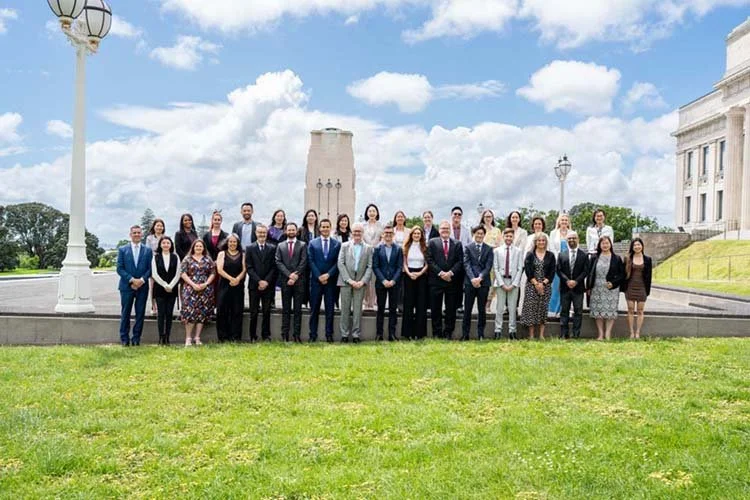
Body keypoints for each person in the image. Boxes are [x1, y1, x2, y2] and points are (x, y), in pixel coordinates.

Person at [426, 221, 464, 340]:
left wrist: (450, 273)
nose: (445, 230)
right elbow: (430, 260)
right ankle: (437, 332)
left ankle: (448, 332)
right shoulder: (432, 242)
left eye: (447, 228)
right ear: (439, 229)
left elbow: (460, 261)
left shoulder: (457, 244)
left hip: (451, 281)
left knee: (450, 309)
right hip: (436, 281)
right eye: (442, 228)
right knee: (435, 308)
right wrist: (441, 273)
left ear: (450, 230)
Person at [116, 225, 153, 346]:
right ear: (130, 234)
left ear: (141, 234)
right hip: (127, 287)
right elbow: (120, 268)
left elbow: (150, 269)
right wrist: (132, 280)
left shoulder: (148, 251)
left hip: (142, 287)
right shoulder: (122, 250)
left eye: (139, 233)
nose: (137, 235)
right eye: (134, 233)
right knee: (125, 313)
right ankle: (124, 339)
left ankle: (136, 338)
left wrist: (141, 280)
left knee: (140, 313)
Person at [337, 222, 373, 343]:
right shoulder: (344, 246)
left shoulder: (368, 248)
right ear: (352, 233)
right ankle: (344, 335)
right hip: (346, 282)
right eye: (355, 231)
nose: (357, 233)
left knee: (358, 310)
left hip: (360, 283)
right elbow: (340, 263)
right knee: (345, 309)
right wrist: (349, 280)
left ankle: (356, 335)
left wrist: (362, 281)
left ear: (363, 233)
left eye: (359, 231)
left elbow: (369, 266)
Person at [307, 219, 341, 343]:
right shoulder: (312, 243)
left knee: (329, 310)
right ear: (320, 228)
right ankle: (312, 335)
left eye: (327, 227)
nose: (325, 229)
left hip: (330, 282)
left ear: (330, 228)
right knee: (314, 309)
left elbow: (338, 262)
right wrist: (319, 276)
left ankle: (329, 335)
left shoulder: (337, 244)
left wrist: (328, 275)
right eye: (323, 227)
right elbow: (310, 261)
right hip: (316, 282)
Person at [587, 235, 625, 340]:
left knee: (610, 312)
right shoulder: (594, 257)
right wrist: (588, 287)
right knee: (598, 312)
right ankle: (600, 334)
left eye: (607, 243)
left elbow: (622, 274)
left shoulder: (616, 258)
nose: (605, 245)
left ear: (610, 244)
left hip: (611, 288)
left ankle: (608, 334)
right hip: (597, 287)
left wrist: (613, 283)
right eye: (603, 243)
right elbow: (589, 273)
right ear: (599, 245)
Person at [180, 239, 216, 346]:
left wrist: (206, 283)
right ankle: (188, 338)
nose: (199, 248)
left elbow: (213, 273)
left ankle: (197, 337)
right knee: (190, 313)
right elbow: (182, 273)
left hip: (205, 290)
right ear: (193, 247)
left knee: (201, 313)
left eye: (201, 246)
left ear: (204, 248)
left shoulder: (208, 259)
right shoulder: (187, 259)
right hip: (190, 289)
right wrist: (193, 284)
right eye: (197, 246)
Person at [275, 222, 307, 342]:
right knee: (286, 309)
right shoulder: (280, 246)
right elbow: (278, 261)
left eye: (293, 230)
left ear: (297, 231)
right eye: (289, 230)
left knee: (298, 310)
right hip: (285, 282)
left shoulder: (303, 245)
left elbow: (304, 261)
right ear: (285, 231)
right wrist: (289, 275)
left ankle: (296, 335)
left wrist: (295, 275)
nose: (291, 232)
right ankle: (285, 335)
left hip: (299, 282)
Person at [520, 233, 556, 340]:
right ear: (535, 242)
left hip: (546, 285)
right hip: (532, 285)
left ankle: (541, 335)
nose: (541, 242)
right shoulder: (530, 254)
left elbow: (552, 271)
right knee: (531, 309)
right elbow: (528, 270)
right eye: (539, 240)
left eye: (543, 241)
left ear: (546, 242)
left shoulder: (551, 255)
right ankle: (531, 335)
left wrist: (543, 284)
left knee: (543, 309)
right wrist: (536, 284)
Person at [245, 225, 277, 342]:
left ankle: (266, 335)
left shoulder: (272, 248)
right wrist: (259, 281)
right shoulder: (250, 248)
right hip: (254, 285)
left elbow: (274, 267)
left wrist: (266, 281)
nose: (262, 235)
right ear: (256, 233)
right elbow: (249, 267)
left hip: (268, 286)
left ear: (267, 233)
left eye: (264, 233)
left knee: (266, 311)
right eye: (260, 233)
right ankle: (252, 336)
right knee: (253, 312)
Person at [461, 225, 493, 340]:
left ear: (484, 235)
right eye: (477, 233)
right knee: (467, 309)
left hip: (483, 283)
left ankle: (481, 334)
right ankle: (465, 334)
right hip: (470, 283)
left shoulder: (489, 249)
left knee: (481, 310)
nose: (479, 235)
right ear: (474, 234)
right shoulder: (468, 248)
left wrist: (480, 278)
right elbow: (466, 264)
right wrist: (473, 278)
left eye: (481, 234)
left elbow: (488, 266)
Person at [373, 223, 403, 341]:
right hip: (381, 284)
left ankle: (392, 334)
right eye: (386, 233)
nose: (388, 235)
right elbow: (375, 266)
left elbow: (399, 267)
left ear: (393, 234)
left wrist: (393, 280)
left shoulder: (398, 249)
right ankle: (379, 334)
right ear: (383, 234)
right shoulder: (377, 249)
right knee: (380, 309)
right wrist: (383, 280)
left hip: (394, 284)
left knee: (393, 309)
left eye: (390, 233)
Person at [556, 231, 588, 339]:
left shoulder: (583, 255)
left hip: (578, 288)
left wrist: (576, 281)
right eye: (569, 238)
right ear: (566, 240)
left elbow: (585, 271)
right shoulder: (561, 255)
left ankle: (576, 334)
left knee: (578, 311)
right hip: (565, 288)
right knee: (564, 311)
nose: (571, 240)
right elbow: (559, 270)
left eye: (574, 238)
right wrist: (567, 281)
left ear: (578, 239)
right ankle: (564, 334)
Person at [492, 228, 524, 339]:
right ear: (503, 237)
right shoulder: (497, 251)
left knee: (512, 308)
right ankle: (497, 330)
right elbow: (495, 268)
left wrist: (514, 284)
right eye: (506, 236)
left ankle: (512, 331)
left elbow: (520, 268)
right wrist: (502, 284)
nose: (508, 238)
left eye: (511, 236)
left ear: (513, 237)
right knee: (500, 308)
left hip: (513, 282)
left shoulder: (518, 251)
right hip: (501, 281)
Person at [216, 233, 246, 342]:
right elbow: (219, 270)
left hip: (238, 287)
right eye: (230, 241)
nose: (232, 244)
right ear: (227, 243)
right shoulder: (221, 254)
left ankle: (235, 337)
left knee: (237, 311)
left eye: (234, 242)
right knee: (222, 311)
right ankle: (223, 337)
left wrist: (237, 279)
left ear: (238, 243)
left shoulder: (242, 254)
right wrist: (231, 279)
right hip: (224, 285)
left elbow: (244, 269)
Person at [151, 235, 180, 345]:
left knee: (169, 314)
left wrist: (171, 285)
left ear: (171, 245)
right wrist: (165, 285)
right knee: (161, 314)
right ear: (160, 245)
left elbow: (178, 273)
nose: (166, 245)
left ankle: (167, 337)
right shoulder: (156, 257)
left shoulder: (175, 257)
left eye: (168, 243)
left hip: (172, 290)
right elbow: (154, 274)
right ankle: (161, 337)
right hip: (160, 289)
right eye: (163, 243)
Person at [622, 237, 653, 339]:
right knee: (630, 310)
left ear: (642, 246)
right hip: (630, 287)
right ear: (632, 247)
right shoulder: (628, 258)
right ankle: (631, 332)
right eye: (635, 245)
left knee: (640, 311)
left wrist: (647, 291)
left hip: (642, 287)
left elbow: (649, 276)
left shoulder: (647, 259)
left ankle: (638, 332)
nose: (637, 247)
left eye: (639, 245)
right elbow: (623, 274)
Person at [402, 226, 429, 340]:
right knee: (408, 305)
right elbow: (404, 263)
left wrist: (419, 274)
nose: (417, 235)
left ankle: (419, 333)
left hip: (421, 276)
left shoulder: (424, 248)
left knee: (421, 305)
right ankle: (408, 334)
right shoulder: (406, 247)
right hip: (408, 276)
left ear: (421, 235)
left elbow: (427, 264)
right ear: (411, 235)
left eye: (419, 234)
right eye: (415, 234)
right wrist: (409, 273)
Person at [549, 213, 573, 317]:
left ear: (568, 222)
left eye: (566, 220)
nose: (564, 222)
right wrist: (558, 259)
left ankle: (565, 309)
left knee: (567, 287)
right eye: (562, 220)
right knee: (556, 286)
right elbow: (551, 247)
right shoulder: (553, 233)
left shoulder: (572, 233)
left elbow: (574, 247)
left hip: (569, 263)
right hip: (557, 262)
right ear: (558, 221)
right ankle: (553, 310)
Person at [480, 209, 501, 313]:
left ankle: (488, 305)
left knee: (492, 283)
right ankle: (481, 304)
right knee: (482, 282)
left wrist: (488, 247)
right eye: (486, 216)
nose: (488, 218)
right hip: (481, 260)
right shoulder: (479, 230)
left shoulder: (497, 230)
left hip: (493, 260)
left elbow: (498, 245)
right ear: (483, 218)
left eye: (490, 216)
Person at [362, 203, 383, 310]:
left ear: (377, 213)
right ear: (367, 213)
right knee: (366, 277)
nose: (372, 213)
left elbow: (382, 239)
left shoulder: (381, 226)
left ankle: (374, 301)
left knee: (375, 278)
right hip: (365, 253)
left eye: (374, 211)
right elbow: (360, 239)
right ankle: (366, 301)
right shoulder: (363, 226)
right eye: (370, 211)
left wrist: (376, 247)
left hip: (377, 254)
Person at [298, 209, 320, 307]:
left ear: (315, 218)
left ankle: (313, 301)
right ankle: (304, 301)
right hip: (304, 258)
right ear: (306, 218)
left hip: (316, 258)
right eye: (309, 216)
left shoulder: (319, 229)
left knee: (314, 280)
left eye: (312, 215)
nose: (311, 217)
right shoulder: (301, 230)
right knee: (304, 280)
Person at [146, 218, 166, 314]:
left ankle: (161, 305)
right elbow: (147, 251)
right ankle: (153, 306)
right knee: (153, 286)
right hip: (153, 262)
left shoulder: (165, 237)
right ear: (154, 227)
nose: (159, 227)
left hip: (164, 263)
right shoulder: (149, 238)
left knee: (162, 284)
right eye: (157, 225)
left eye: (161, 226)